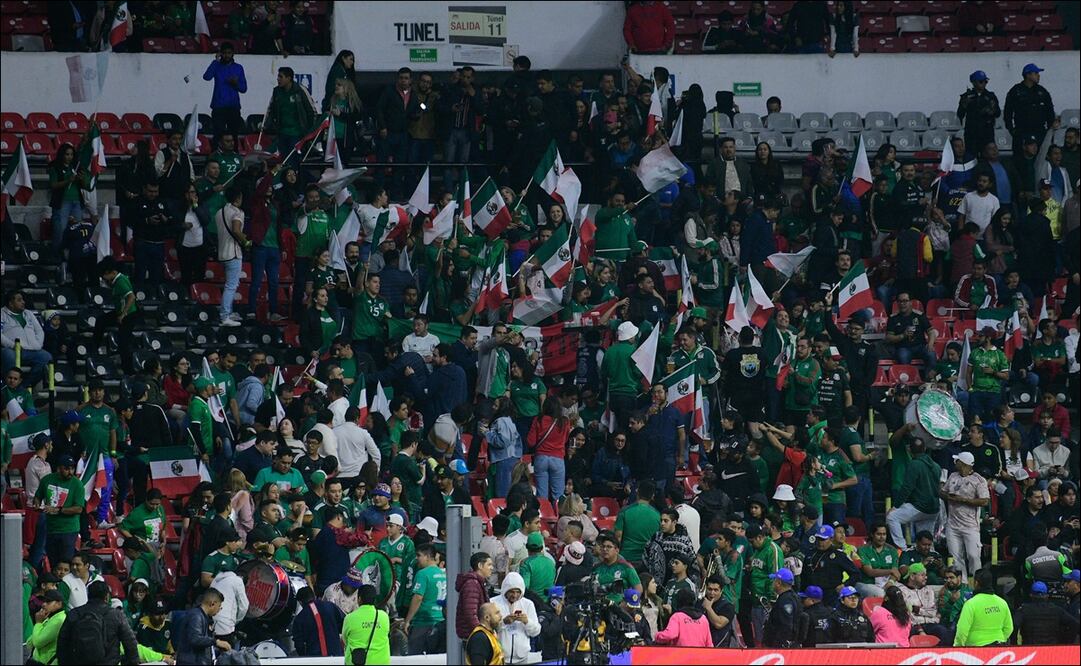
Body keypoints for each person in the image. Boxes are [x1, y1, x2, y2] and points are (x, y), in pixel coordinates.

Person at [56, 580, 139, 666]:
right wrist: (133, 661)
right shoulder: (116, 615)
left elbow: (62, 643)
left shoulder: (74, 613)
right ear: (107, 597)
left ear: (88, 595)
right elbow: (130, 642)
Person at [942, 451, 990, 580]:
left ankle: (977, 582)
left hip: (970, 526)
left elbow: (985, 500)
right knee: (955, 557)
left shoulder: (979, 480)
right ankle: (961, 584)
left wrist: (962, 500)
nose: (955, 462)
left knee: (973, 555)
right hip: (952, 525)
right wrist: (949, 497)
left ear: (963, 463)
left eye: (957, 461)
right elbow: (942, 492)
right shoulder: (953, 476)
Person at [887, 438, 941, 550]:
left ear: (909, 450)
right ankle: (931, 557)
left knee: (892, 517)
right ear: (925, 448)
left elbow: (907, 487)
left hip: (919, 507)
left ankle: (903, 549)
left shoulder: (914, 464)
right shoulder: (936, 466)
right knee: (925, 539)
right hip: (934, 509)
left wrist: (896, 506)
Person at [33, 454, 85, 569]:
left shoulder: (77, 484)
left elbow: (79, 509)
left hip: (69, 530)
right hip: (51, 529)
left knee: (65, 563)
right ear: (59, 468)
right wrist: (37, 503)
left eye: (72, 468)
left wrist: (58, 510)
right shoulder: (47, 480)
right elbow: (38, 496)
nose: (70, 471)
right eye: (67, 469)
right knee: (53, 563)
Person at [0, 291, 52, 389]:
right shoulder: (2, 314)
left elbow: (39, 331)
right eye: (19, 300)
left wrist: (38, 344)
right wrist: (12, 345)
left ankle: (22, 387)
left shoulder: (28, 313)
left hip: (32, 350)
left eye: (23, 300)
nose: (23, 302)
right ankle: (8, 389)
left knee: (46, 357)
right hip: (11, 349)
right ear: (11, 303)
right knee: (7, 355)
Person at [1003, 63, 1055, 158]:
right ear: (1028, 75)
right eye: (1036, 73)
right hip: (1021, 132)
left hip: (1039, 132)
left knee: (1040, 160)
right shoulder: (1015, 91)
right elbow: (1008, 113)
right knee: (1020, 160)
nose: (1038, 75)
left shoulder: (1042, 91)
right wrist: (1012, 130)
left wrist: (1049, 129)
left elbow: (1050, 112)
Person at [404, 543, 447, 655]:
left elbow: (418, 597)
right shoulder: (444, 574)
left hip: (423, 623)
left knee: (416, 659)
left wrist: (407, 620)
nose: (417, 559)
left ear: (427, 557)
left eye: (419, 555)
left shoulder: (423, 574)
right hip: (441, 621)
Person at [490, 571, 540, 664]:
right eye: (512, 592)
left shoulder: (528, 604)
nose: (515, 595)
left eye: (518, 592)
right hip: (500, 657)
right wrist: (504, 622)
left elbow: (535, 632)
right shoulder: (493, 603)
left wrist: (527, 622)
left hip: (522, 658)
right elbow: (488, 629)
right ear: (505, 590)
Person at [202, 42, 247, 146]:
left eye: (229, 53)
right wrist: (215, 61)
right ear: (221, 53)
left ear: (233, 54)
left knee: (233, 136)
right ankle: (215, 158)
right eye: (225, 53)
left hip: (233, 106)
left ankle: (234, 159)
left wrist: (235, 84)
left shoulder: (238, 68)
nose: (227, 55)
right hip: (218, 106)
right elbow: (206, 77)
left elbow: (244, 88)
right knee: (217, 135)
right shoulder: (216, 66)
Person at [954, 568, 1013, 647]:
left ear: (976, 583)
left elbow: (962, 630)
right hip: (999, 648)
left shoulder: (971, 604)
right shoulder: (1002, 602)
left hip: (977, 650)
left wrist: (958, 647)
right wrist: (1000, 640)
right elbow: (1009, 628)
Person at [173, 588, 232, 665]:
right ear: (212, 604)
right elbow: (195, 639)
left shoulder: (205, 617)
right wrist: (216, 642)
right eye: (219, 606)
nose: (219, 610)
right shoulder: (196, 616)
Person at [1012, 581, 1079, 645]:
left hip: (1030, 649)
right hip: (1052, 650)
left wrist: (1014, 644)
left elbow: (1014, 625)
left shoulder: (1024, 610)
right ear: (1046, 596)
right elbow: (1075, 624)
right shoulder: (1056, 610)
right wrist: (1066, 642)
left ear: (1031, 595)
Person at [292, 586, 346, 658]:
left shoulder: (299, 619)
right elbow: (344, 624)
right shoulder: (330, 606)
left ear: (300, 602)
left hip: (314, 658)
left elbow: (299, 644)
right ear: (314, 595)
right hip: (335, 655)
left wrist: (304, 657)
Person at [958, 70, 1001, 157]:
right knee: (971, 157)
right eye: (981, 81)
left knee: (989, 156)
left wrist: (992, 110)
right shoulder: (967, 96)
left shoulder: (990, 96)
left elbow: (998, 113)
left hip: (987, 132)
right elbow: (960, 114)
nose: (984, 84)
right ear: (974, 82)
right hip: (972, 132)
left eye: (985, 81)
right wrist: (964, 105)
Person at [456, 552, 494, 643]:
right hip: (474, 636)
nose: (492, 568)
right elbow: (470, 613)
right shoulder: (472, 584)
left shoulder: (478, 583)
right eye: (489, 565)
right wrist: (482, 632)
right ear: (480, 565)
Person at [761, 568, 801, 648]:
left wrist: (778, 645)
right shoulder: (793, 597)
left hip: (781, 648)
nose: (773, 583)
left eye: (774, 580)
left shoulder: (786, 601)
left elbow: (786, 626)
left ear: (778, 583)